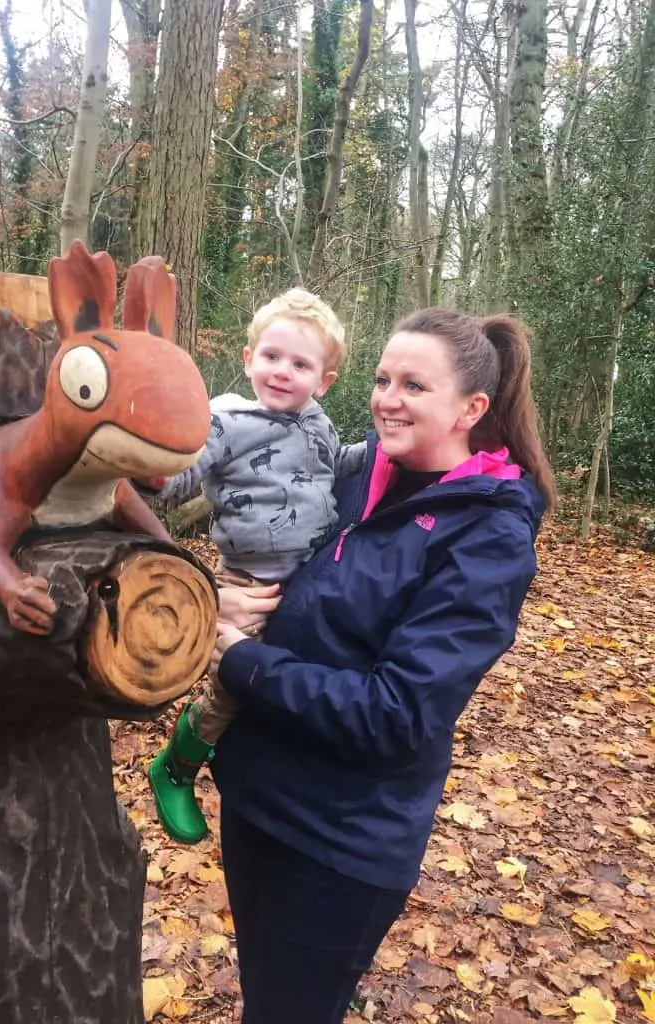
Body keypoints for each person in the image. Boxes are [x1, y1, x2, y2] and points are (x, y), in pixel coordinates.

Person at [208, 308, 557, 1024]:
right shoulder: (357, 469)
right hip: (257, 796)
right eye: (381, 378)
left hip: (340, 841)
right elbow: (262, 530)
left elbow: (396, 715)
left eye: (413, 386)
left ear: (472, 408)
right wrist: (222, 598)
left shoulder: (488, 535)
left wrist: (243, 661)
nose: (386, 398)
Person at [148, 288, 365, 844]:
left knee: (297, 677)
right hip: (247, 580)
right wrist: (151, 469)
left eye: (300, 364)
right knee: (232, 685)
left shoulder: (318, 422)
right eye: (271, 356)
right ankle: (176, 765)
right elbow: (180, 479)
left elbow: (328, 470)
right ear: (248, 360)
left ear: (324, 380)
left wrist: (376, 451)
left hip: (310, 574)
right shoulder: (226, 420)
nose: (282, 372)